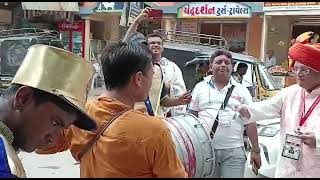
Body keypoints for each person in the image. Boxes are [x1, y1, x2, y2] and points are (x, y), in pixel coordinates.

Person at [36, 42, 187, 178]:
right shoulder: (154, 130)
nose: (152, 81)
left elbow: (42, 146)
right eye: (152, 76)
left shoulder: (80, 113)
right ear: (138, 79)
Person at [0, 45, 97, 177]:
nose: (54, 140)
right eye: (55, 123)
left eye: (63, 129)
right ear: (24, 98)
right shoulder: (4, 166)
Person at [237, 40, 320, 178]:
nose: (299, 74)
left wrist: (317, 140)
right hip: (287, 169)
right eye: (296, 68)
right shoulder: (290, 92)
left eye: (305, 70)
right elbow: (268, 107)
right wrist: (247, 110)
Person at [188, 50, 261, 178]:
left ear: (232, 67)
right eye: (218, 62)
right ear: (211, 66)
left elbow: (250, 122)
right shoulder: (200, 87)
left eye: (227, 63)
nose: (223, 65)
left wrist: (255, 150)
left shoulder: (242, 90)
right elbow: (191, 119)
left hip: (234, 151)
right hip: (206, 151)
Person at [123, 8, 191, 117]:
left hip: (153, 123)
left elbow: (162, 100)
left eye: (159, 43)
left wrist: (179, 100)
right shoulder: (128, 68)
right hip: (130, 121)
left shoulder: (159, 71)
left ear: (163, 48)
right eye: (152, 43)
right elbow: (124, 45)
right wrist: (136, 22)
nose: (155, 45)